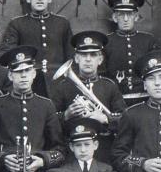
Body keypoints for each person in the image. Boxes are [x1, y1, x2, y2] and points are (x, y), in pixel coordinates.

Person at [51, 31, 125, 164]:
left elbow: (125, 119)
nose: (88, 59)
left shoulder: (109, 86)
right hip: (73, 152)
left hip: (103, 150)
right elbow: (49, 121)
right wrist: (66, 115)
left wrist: (104, 118)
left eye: (93, 55)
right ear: (77, 59)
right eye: (83, 55)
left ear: (100, 60)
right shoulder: (63, 86)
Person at [2, 0, 72, 96]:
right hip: (30, 85)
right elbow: (7, 57)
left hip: (60, 85)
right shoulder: (17, 24)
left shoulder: (62, 23)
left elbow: (71, 58)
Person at [103, 0, 160, 105]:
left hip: (145, 98)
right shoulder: (106, 42)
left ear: (136, 17)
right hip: (116, 99)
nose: (125, 19)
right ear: (114, 18)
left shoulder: (148, 40)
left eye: (129, 14)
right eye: (121, 14)